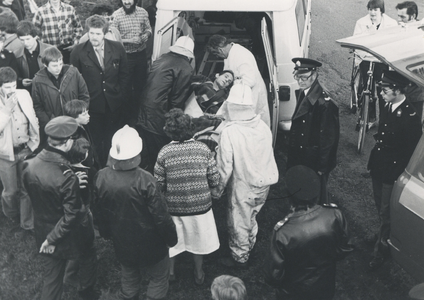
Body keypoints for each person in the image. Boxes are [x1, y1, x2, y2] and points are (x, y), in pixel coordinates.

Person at [93, 125, 177, 300]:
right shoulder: (146, 180)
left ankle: (128, 296)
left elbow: (99, 211)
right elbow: (161, 217)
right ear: (137, 153)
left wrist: (106, 232)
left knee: (129, 276)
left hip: (122, 241)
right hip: (151, 243)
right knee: (159, 277)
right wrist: (171, 238)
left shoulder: (101, 177)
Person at [22, 116, 99, 300]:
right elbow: (72, 214)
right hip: (69, 235)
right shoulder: (67, 177)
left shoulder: (28, 164)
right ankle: (86, 292)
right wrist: (52, 239)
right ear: (67, 142)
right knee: (89, 256)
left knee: (52, 280)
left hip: (43, 229)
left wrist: (47, 239)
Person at [263, 165, 353, 300]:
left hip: (293, 294)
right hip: (325, 288)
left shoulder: (283, 233)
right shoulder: (334, 215)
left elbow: (274, 276)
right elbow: (346, 247)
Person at [213, 84, 278, 267]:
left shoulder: (230, 132)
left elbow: (224, 168)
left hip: (244, 185)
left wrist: (216, 191)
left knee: (239, 220)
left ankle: (240, 257)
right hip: (264, 182)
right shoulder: (263, 127)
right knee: (252, 215)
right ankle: (250, 243)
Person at [154, 108, 220, 285]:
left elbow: (158, 184)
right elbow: (214, 178)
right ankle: (199, 273)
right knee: (199, 238)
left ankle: (171, 272)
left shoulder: (164, 152)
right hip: (201, 206)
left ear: (170, 132)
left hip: (174, 207)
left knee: (173, 242)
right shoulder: (203, 149)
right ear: (191, 128)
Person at [367, 71, 422, 269]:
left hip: (392, 171)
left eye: (385, 90)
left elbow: (409, 153)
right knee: (379, 205)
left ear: (398, 90)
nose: (381, 93)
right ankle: (383, 234)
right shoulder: (388, 104)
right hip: (379, 166)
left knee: (386, 211)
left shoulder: (410, 117)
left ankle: (381, 250)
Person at [70, 15, 130, 167]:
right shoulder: (78, 51)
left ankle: (113, 166)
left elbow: (124, 75)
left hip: (114, 104)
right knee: (95, 140)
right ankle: (98, 168)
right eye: (91, 33)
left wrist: (120, 95)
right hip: (92, 105)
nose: (94, 37)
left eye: (98, 33)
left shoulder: (117, 48)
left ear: (105, 33)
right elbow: (74, 80)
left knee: (112, 137)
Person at [137, 35, 194, 173]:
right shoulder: (185, 67)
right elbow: (177, 99)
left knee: (147, 150)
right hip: (158, 115)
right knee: (159, 152)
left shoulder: (162, 58)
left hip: (144, 110)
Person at [287, 58, 339, 205]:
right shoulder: (305, 93)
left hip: (313, 160)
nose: (300, 81)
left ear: (314, 76)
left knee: (315, 197)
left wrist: (323, 167)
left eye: (304, 77)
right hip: (303, 156)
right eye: (297, 77)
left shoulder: (324, 103)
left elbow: (328, 138)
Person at [0, 66, 39, 231]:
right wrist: (6, 111)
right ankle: (12, 216)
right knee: (10, 192)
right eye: (7, 87)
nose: (11, 90)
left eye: (13, 85)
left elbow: (32, 117)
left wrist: (33, 142)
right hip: (5, 154)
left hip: (26, 150)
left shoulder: (24, 94)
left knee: (26, 189)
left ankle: (27, 224)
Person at [206, 34, 270, 127]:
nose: (218, 57)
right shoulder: (229, 54)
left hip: (251, 96)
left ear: (220, 50)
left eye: (216, 54)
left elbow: (249, 81)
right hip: (242, 97)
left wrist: (231, 85)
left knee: (253, 127)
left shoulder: (241, 55)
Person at [31, 46, 90, 142]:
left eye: (60, 64)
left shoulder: (73, 72)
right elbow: (37, 106)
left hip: (76, 123)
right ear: (45, 65)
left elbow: (84, 95)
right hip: (54, 127)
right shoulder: (37, 80)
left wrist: (80, 115)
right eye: (54, 65)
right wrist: (49, 123)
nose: (58, 68)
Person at [353, 0, 397, 118]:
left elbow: (393, 44)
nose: (372, 12)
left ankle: (384, 118)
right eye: (370, 9)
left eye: (375, 9)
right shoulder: (361, 22)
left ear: (381, 10)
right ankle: (369, 117)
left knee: (382, 89)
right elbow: (356, 41)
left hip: (381, 61)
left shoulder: (391, 23)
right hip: (366, 59)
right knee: (367, 88)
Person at [112, 0, 152, 123]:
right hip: (125, 57)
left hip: (141, 55)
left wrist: (146, 35)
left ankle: (139, 115)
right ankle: (126, 118)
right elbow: (113, 39)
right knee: (126, 87)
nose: (127, 2)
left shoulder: (143, 12)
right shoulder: (116, 16)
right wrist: (129, 40)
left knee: (141, 85)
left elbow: (149, 29)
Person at [16, 20, 50, 93]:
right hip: (29, 91)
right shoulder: (17, 54)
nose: (25, 43)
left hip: (48, 89)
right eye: (22, 40)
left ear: (36, 37)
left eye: (28, 39)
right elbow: (15, 75)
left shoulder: (49, 50)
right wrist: (21, 82)